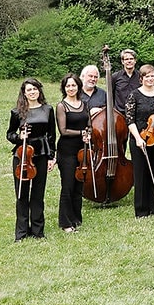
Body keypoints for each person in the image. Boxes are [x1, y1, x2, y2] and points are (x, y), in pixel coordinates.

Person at [7, 78, 56, 241]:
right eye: (29, 90)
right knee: (22, 193)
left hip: (41, 154)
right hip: (22, 156)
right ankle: (21, 232)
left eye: (35, 89)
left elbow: (51, 135)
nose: (33, 92)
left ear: (39, 91)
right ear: (24, 93)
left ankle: (38, 230)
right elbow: (9, 134)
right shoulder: (17, 112)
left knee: (38, 193)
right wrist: (19, 136)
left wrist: (51, 156)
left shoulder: (48, 110)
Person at [125, 65, 154, 218]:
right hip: (139, 138)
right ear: (141, 78)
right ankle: (141, 209)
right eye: (147, 76)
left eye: (152, 76)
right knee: (141, 173)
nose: (150, 79)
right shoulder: (134, 95)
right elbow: (130, 119)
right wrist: (138, 138)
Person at [55, 74, 89, 233]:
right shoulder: (62, 106)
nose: (71, 88)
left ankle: (76, 218)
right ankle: (66, 223)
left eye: (73, 85)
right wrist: (82, 132)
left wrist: (89, 133)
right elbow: (63, 130)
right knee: (68, 185)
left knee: (78, 185)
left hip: (82, 150)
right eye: (68, 86)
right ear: (64, 88)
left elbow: (88, 125)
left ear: (78, 87)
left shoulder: (84, 104)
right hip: (67, 150)